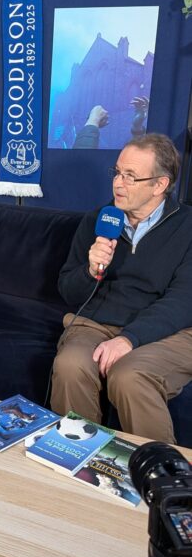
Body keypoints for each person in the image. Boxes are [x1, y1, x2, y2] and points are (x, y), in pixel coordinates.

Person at [51, 133, 192, 444]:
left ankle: (160, 471)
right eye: (117, 172)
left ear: (160, 184)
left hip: (169, 332)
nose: (118, 183)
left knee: (129, 376)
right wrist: (90, 271)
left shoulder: (187, 227)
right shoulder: (98, 220)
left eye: (131, 176)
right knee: (70, 365)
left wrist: (129, 338)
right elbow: (69, 291)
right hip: (96, 324)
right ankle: (79, 457)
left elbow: (183, 302)